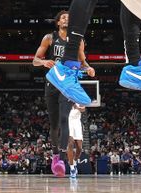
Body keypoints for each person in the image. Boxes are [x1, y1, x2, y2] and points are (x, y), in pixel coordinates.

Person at [33, 10, 95, 174]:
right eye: (63, 17)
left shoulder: (78, 40)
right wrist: (44, 61)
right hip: (52, 82)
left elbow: (82, 62)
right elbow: (35, 60)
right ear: (58, 23)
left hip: (66, 83)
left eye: (69, 17)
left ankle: (61, 157)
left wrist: (88, 68)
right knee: (54, 124)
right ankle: (55, 157)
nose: (67, 19)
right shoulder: (49, 38)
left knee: (63, 118)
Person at [67, 103, 85, 179]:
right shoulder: (66, 98)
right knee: (70, 144)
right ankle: (72, 168)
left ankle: (74, 162)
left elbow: (83, 109)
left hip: (77, 124)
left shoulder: (79, 99)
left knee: (79, 148)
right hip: (69, 123)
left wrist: (77, 107)